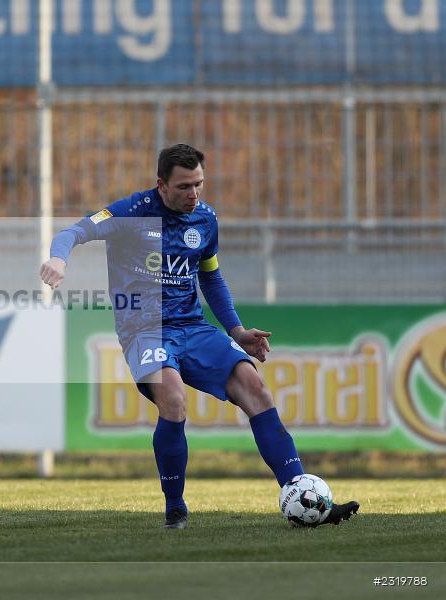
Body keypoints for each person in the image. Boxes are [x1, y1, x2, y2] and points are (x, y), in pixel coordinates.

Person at [40, 143, 359, 529]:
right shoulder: (130, 213)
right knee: (174, 400)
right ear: (161, 185)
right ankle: (175, 506)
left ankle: (303, 494)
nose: (194, 194)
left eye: (199, 184)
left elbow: (210, 276)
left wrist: (237, 331)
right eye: (184, 187)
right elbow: (73, 232)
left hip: (193, 327)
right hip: (146, 332)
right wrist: (59, 259)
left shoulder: (205, 220)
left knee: (254, 387)